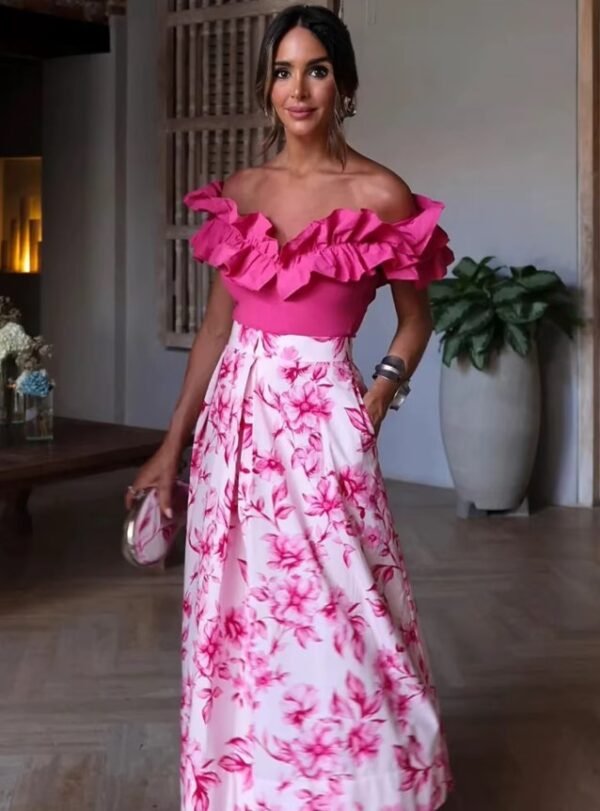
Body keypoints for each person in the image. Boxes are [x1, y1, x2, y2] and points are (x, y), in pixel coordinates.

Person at [128, 5, 454, 809]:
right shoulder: (242, 191)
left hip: (324, 428)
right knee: (239, 621)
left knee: (350, 613)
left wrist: (375, 395)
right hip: (234, 431)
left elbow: (417, 316)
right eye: (282, 70)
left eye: (315, 69)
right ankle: (249, 789)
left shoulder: (380, 193)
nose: (297, 88)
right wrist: (174, 443)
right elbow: (215, 326)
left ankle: (369, 788)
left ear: (345, 84)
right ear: (267, 85)